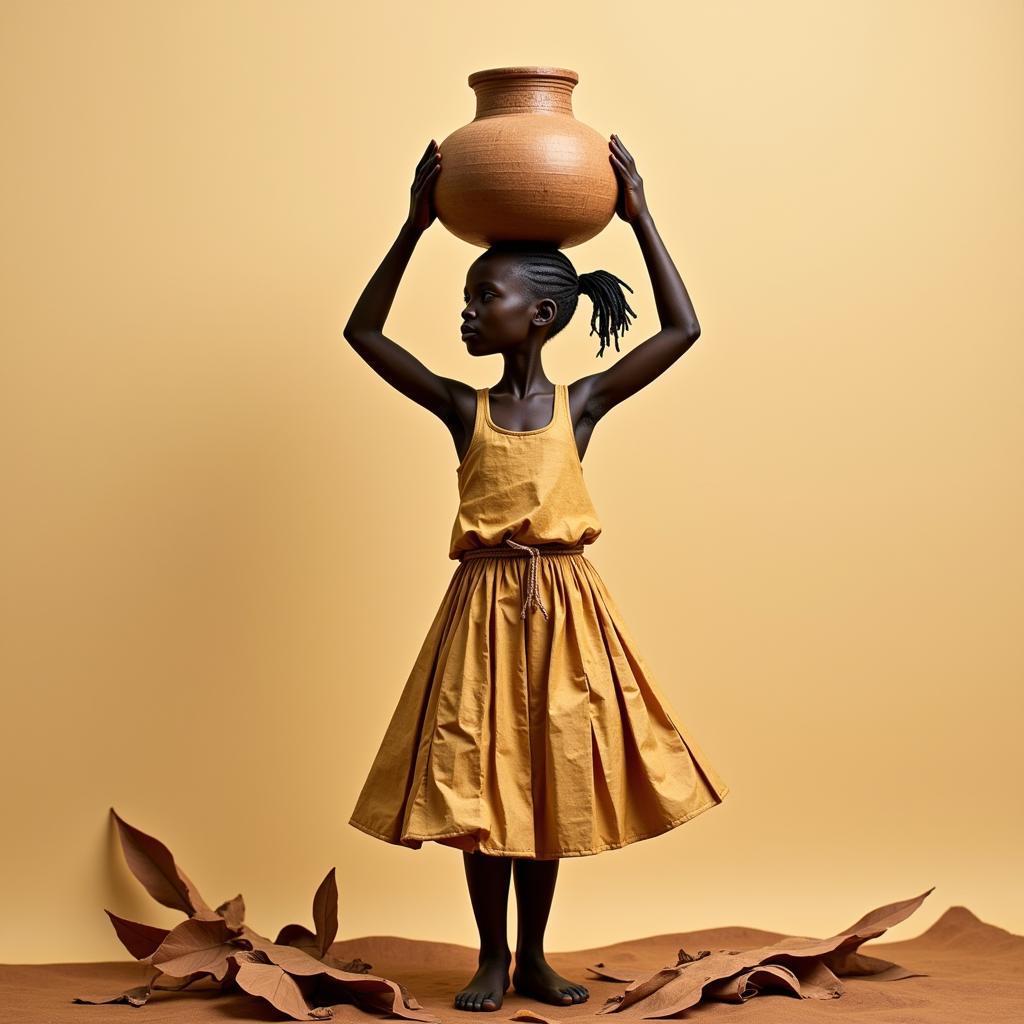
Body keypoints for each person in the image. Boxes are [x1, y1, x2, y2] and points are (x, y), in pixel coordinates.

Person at [343, 135, 730, 1012]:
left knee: (551, 774)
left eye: (486, 296)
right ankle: (488, 959)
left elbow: (683, 329)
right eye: (469, 297)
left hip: (566, 606)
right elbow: (362, 332)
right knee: (481, 778)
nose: (469, 314)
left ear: (541, 316)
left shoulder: (580, 405)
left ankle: (535, 956)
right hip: (481, 608)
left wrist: (641, 217)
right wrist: (411, 228)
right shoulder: (460, 406)